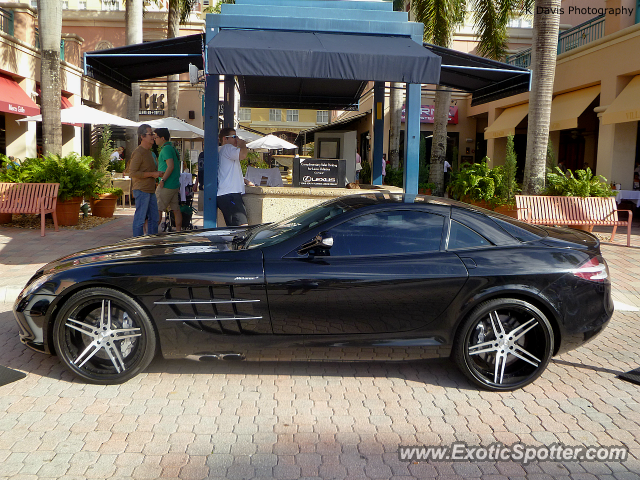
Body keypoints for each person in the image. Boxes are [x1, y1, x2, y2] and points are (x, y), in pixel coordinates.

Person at [129, 124, 162, 237]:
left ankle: (151, 243)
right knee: (140, 219)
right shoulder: (138, 152)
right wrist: (153, 174)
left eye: (153, 134)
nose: (153, 136)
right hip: (142, 190)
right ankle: (138, 243)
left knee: (154, 218)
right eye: (150, 134)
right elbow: (132, 173)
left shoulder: (149, 152)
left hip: (150, 190)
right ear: (142, 136)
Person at [218, 127, 254, 226]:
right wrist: (243, 144)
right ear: (225, 139)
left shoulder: (220, 151)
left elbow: (227, 172)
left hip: (226, 194)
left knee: (233, 228)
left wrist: (244, 180)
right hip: (230, 194)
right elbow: (243, 155)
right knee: (242, 227)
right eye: (234, 136)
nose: (236, 139)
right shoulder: (227, 148)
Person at [154, 128, 182, 232]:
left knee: (158, 208)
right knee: (176, 209)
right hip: (174, 184)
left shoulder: (165, 149)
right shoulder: (173, 148)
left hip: (166, 185)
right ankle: (178, 231)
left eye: (156, 137)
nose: (155, 139)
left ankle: (153, 232)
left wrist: (163, 180)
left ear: (162, 138)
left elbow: (170, 166)